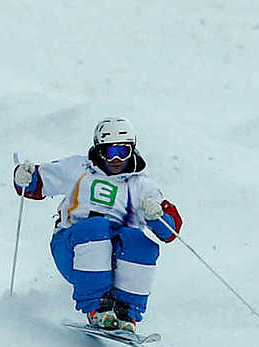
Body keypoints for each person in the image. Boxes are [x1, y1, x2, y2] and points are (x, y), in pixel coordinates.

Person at [13, 117, 183, 331]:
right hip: (73, 249)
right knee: (96, 227)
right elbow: (35, 186)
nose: (115, 159)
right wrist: (25, 177)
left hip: (116, 261)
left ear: (133, 150)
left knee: (139, 241)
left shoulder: (142, 186)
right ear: (98, 150)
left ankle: (125, 314)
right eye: (109, 151)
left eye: (123, 151)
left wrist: (157, 217)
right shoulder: (78, 169)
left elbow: (170, 232)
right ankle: (97, 309)